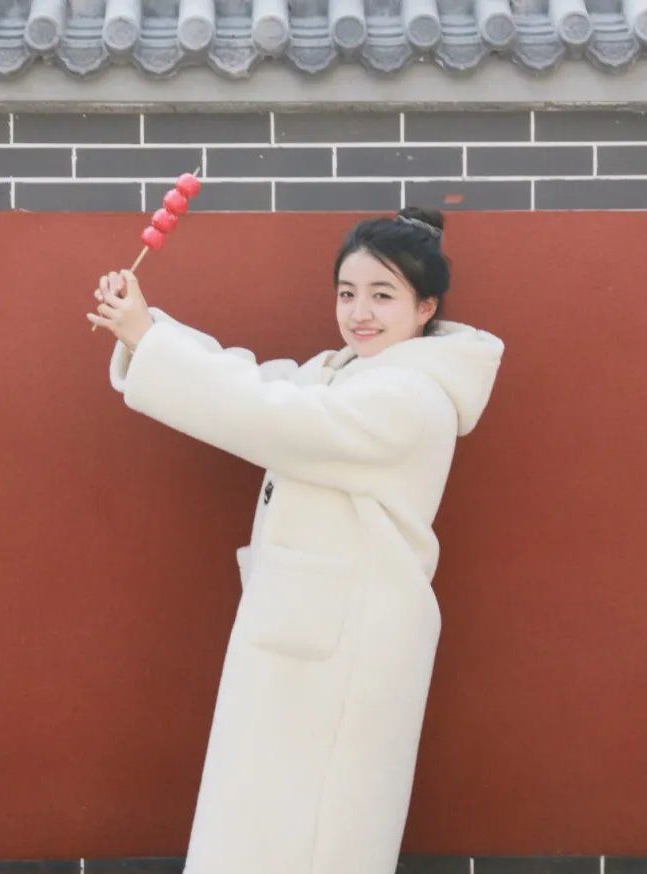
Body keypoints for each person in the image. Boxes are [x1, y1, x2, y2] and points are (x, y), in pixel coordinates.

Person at [88, 207, 504, 874]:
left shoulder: (408, 398)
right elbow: (257, 378)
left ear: (425, 307)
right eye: (347, 293)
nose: (359, 312)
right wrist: (148, 332)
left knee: (313, 832)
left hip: (348, 645)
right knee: (276, 821)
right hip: (318, 633)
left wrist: (148, 338)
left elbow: (274, 415)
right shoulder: (348, 372)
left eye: (382, 295)